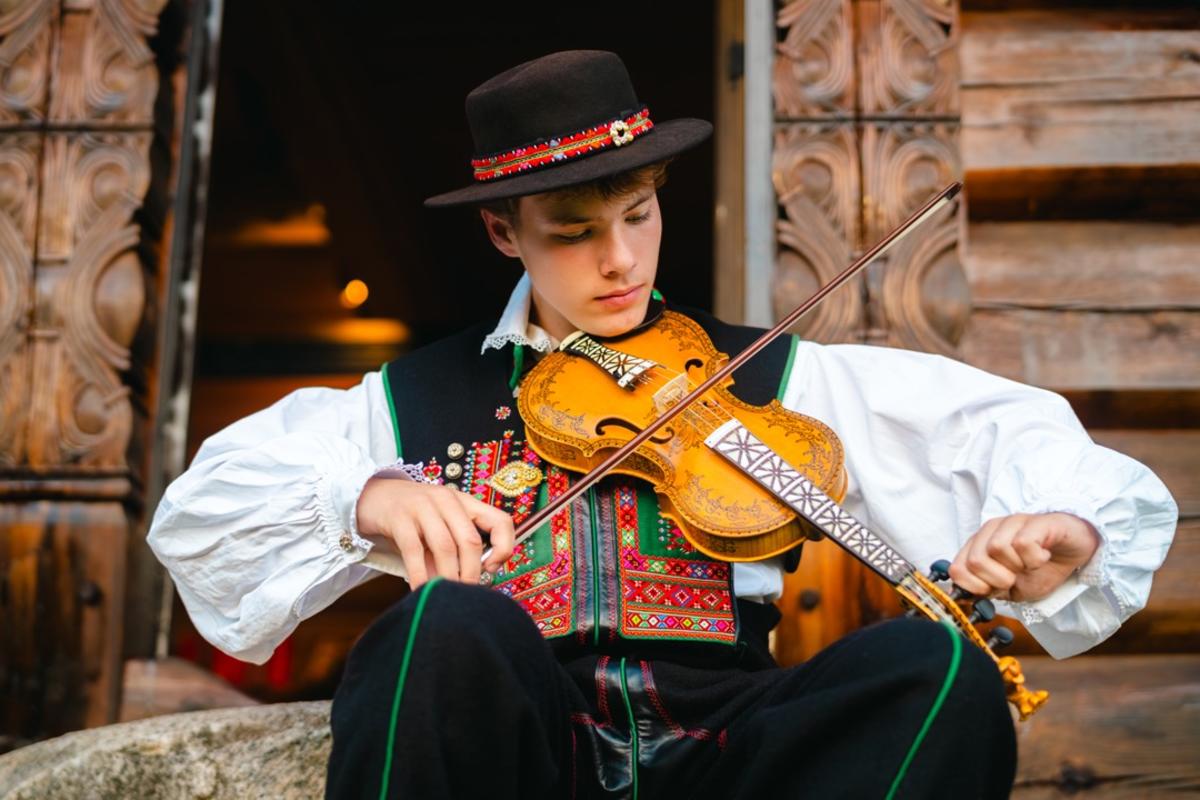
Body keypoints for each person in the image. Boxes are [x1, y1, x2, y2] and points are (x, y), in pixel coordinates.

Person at [148, 50, 1177, 799]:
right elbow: (205, 518)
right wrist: (365, 494)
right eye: (575, 232)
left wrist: (1059, 524)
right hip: (523, 746)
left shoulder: (762, 374)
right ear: (504, 230)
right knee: (437, 626)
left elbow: (993, 435)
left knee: (935, 668)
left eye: (638, 213)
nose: (620, 261)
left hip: (733, 744)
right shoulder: (409, 398)